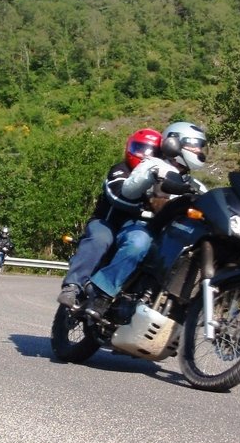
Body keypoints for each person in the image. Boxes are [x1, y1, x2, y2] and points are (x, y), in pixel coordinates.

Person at [84, 121, 209, 321]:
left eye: (201, 146)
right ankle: (103, 295)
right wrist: (152, 176)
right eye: (194, 144)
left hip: (174, 233)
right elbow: (129, 190)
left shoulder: (193, 183)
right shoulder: (153, 164)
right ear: (175, 143)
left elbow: (207, 199)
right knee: (137, 244)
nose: (199, 150)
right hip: (143, 225)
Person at [56, 128, 163, 309]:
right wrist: (144, 205)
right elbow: (117, 195)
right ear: (128, 148)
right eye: (139, 148)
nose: (144, 154)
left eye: (150, 151)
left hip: (134, 228)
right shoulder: (120, 170)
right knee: (100, 239)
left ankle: (116, 293)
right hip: (107, 222)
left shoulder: (159, 178)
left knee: (141, 244)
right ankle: (73, 286)